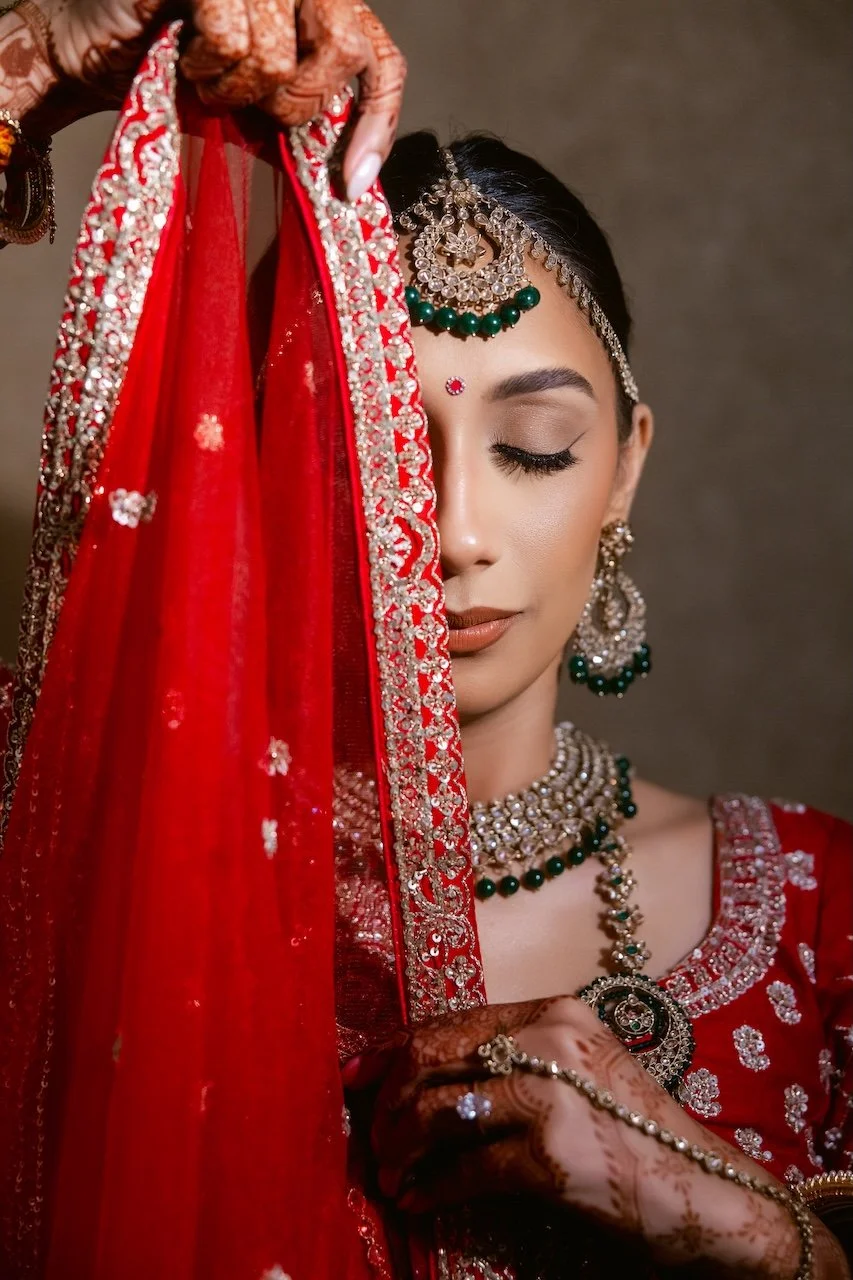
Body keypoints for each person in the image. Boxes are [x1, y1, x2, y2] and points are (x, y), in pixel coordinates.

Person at [0, 4, 850, 1279]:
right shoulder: (56, 818)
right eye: (370, 446)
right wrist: (29, 58)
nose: (448, 531)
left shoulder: (814, 911)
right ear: (252, 458)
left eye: (534, 446)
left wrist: (748, 1229)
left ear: (622, 468)